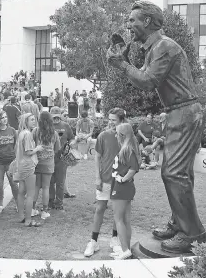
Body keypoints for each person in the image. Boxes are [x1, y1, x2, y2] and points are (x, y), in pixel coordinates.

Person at [107, 1, 206, 253]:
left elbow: (148, 81)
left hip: (184, 113)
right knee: (178, 173)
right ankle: (179, 223)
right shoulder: (155, 48)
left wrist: (121, 64)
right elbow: (143, 74)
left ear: (148, 22)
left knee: (174, 174)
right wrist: (125, 60)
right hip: (178, 113)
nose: (129, 25)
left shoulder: (164, 46)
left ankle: (193, 234)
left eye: (133, 20)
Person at [84, 107, 126, 257]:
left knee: (117, 211)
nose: (110, 122)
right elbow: (97, 157)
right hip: (105, 179)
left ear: (122, 121)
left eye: (114, 120)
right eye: (109, 119)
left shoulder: (127, 137)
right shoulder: (103, 135)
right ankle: (93, 242)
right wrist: (97, 177)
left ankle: (114, 239)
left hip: (121, 180)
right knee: (100, 208)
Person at [110, 123, 141, 259]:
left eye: (117, 133)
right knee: (125, 220)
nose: (116, 136)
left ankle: (124, 249)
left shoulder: (127, 149)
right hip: (125, 188)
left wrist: (122, 179)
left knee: (119, 219)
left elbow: (133, 169)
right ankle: (126, 248)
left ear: (122, 135)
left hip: (121, 188)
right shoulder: (128, 148)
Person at [32, 111, 61, 220]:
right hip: (48, 164)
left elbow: (31, 145)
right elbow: (57, 148)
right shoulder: (54, 133)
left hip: (36, 163)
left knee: (36, 187)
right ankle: (44, 211)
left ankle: (32, 209)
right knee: (46, 188)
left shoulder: (35, 131)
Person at [16, 113, 43, 227]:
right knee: (30, 194)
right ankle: (28, 220)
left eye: (34, 119)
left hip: (21, 165)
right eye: (31, 119)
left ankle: (21, 216)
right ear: (26, 121)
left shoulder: (21, 133)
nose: (34, 121)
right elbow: (28, 152)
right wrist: (37, 148)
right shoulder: (27, 134)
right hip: (28, 165)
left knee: (21, 192)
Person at [49, 107, 75, 211]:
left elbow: (72, 138)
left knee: (60, 182)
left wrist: (71, 144)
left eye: (57, 117)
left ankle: (59, 203)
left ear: (60, 115)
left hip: (62, 158)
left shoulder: (65, 126)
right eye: (53, 117)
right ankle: (50, 202)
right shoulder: (47, 126)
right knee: (50, 182)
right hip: (49, 158)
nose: (55, 119)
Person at [0, 110, 19, 213]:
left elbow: (16, 145)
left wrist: (16, 158)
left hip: (10, 161)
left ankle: (18, 203)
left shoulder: (12, 130)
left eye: (5, 117)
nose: (4, 119)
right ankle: (0, 204)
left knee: (14, 184)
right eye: (2, 117)